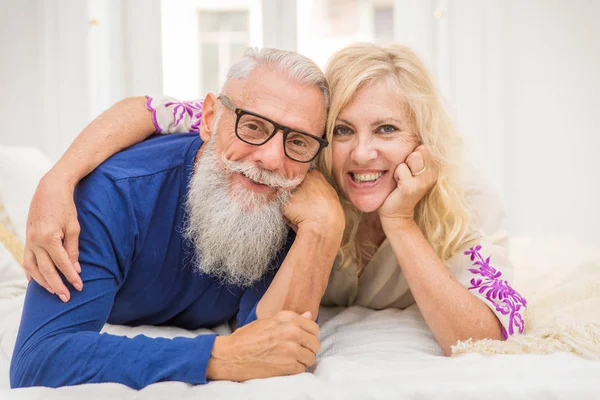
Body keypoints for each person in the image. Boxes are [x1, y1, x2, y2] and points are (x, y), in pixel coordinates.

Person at [22, 43, 526, 359]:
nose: (363, 153)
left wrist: (400, 222)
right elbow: (150, 110)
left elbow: (489, 337)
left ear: (423, 138)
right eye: (344, 130)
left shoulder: (462, 201)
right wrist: (58, 178)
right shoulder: (298, 168)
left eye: (388, 129)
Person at [10, 48, 346, 389]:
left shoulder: (290, 197)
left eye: (299, 141)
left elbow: (275, 349)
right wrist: (218, 355)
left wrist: (324, 227)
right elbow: (40, 357)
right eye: (253, 126)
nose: (272, 159)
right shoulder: (114, 193)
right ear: (210, 117)